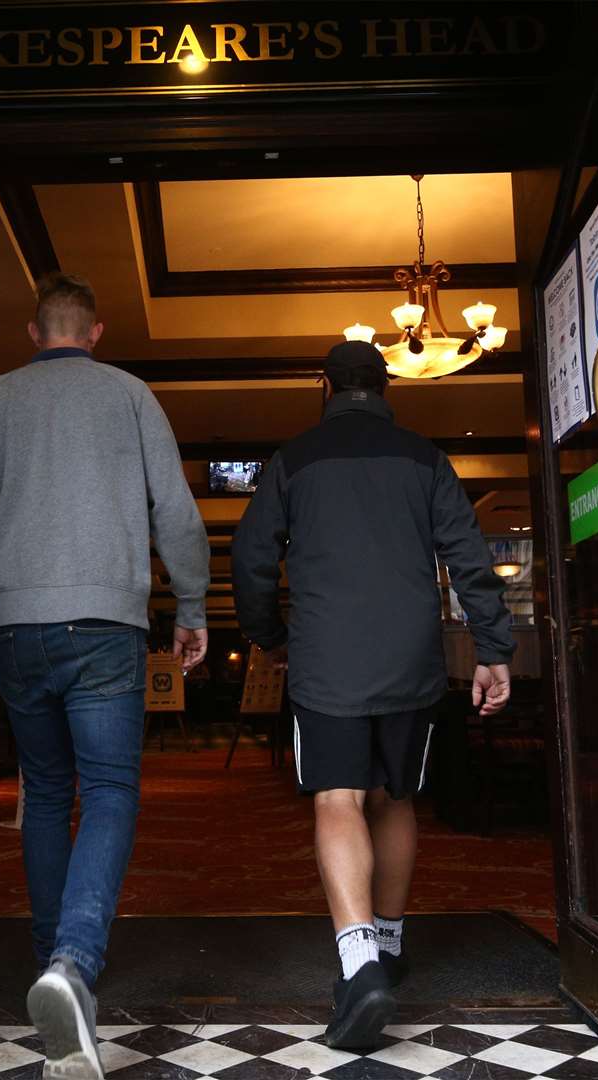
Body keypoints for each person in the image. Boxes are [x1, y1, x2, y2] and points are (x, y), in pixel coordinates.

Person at [0, 272, 210, 1080]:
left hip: (16, 627)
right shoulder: (132, 395)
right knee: (108, 791)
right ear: (96, 331)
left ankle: (50, 965)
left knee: (45, 790)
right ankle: (71, 965)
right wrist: (193, 605)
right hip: (106, 624)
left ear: (35, 334)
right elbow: (173, 507)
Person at [231, 340, 514, 1049]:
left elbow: (251, 556)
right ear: (386, 387)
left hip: (327, 654)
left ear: (322, 385)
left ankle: (358, 968)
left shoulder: (292, 459)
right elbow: (468, 555)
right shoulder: (425, 458)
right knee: (395, 798)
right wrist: (493, 647)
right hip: (408, 654)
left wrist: (269, 635)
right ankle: (387, 946)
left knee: (337, 797)